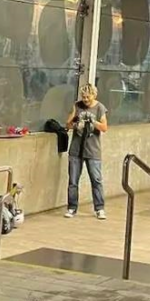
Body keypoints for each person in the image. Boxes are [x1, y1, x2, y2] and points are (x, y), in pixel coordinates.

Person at [65, 82, 108, 219]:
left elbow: (104, 128)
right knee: (73, 181)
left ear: (94, 95)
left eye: (88, 97)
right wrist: (76, 123)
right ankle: (72, 207)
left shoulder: (100, 108)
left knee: (96, 180)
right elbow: (68, 124)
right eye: (83, 97)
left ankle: (99, 208)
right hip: (76, 149)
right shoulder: (77, 106)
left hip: (93, 150)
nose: (85, 100)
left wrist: (93, 121)